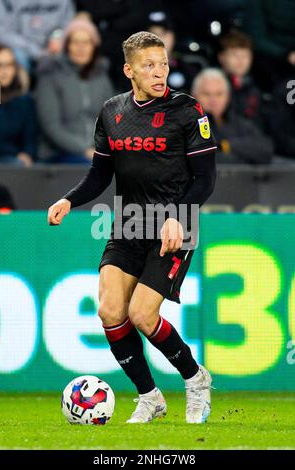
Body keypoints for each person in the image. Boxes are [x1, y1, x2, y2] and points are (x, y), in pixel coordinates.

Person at [47, 31, 217, 424]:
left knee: (142, 315)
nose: (159, 73)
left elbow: (205, 179)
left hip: (174, 228)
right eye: (149, 66)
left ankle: (195, 380)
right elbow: (99, 174)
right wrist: (69, 199)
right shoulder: (112, 112)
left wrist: (178, 215)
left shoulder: (190, 112)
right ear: (129, 71)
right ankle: (150, 397)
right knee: (109, 310)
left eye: (163, 64)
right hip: (128, 224)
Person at [36, 19, 115, 163]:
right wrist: (84, 149)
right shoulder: (50, 75)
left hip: (96, 150)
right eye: (75, 42)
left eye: (86, 43)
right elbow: (51, 127)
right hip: (59, 153)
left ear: (94, 47)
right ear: (67, 46)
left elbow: (111, 120)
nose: (81, 48)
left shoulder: (101, 77)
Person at [192, 68, 273, 164]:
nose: (213, 100)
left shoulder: (237, 122)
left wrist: (225, 145)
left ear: (228, 97)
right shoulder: (185, 124)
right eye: (207, 94)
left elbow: (265, 149)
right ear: (194, 96)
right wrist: (244, 157)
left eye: (219, 94)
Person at [0, 0, 75, 70]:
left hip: (53, 47)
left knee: (75, 46)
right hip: (21, 49)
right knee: (13, 56)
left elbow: (67, 20)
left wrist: (57, 36)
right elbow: (1, 32)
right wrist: (35, 51)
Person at [0, 44, 36, 166]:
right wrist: (16, 153)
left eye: (9, 65)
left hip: (14, 162)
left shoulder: (23, 99)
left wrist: (27, 154)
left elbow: (30, 135)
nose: (4, 71)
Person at [218, 30, 262, 124]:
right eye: (234, 55)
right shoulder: (212, 85)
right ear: (221, 57)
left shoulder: (254, 86)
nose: (241, 61)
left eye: (245, 56)